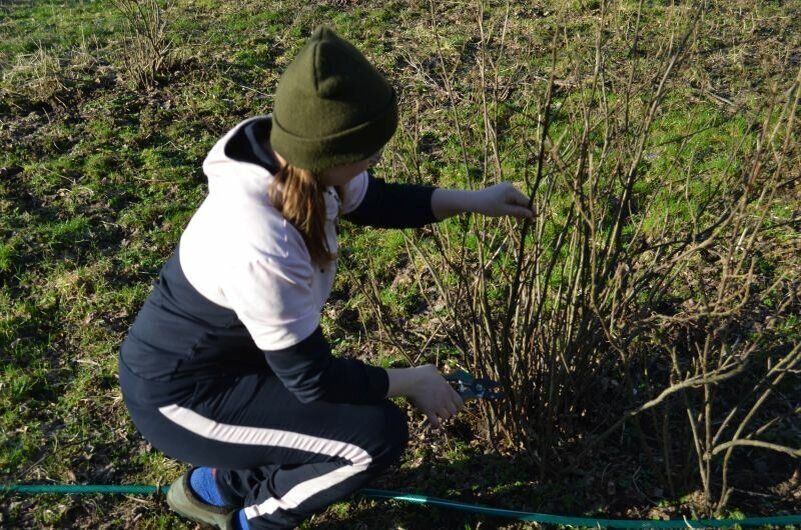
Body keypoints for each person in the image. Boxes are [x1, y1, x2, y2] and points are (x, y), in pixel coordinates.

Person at [117, 25, 535, 530]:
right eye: (368, 152)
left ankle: (215, 487)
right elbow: (312, 379)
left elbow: (376, 200)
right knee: (371, 438)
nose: (375, 160)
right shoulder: (260, 241)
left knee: (356, 420)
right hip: (183, 401)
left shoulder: (292, 156)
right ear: (332, 155)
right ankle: (254, 521)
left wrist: (474, 201)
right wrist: (411, 380)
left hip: (233, 366)